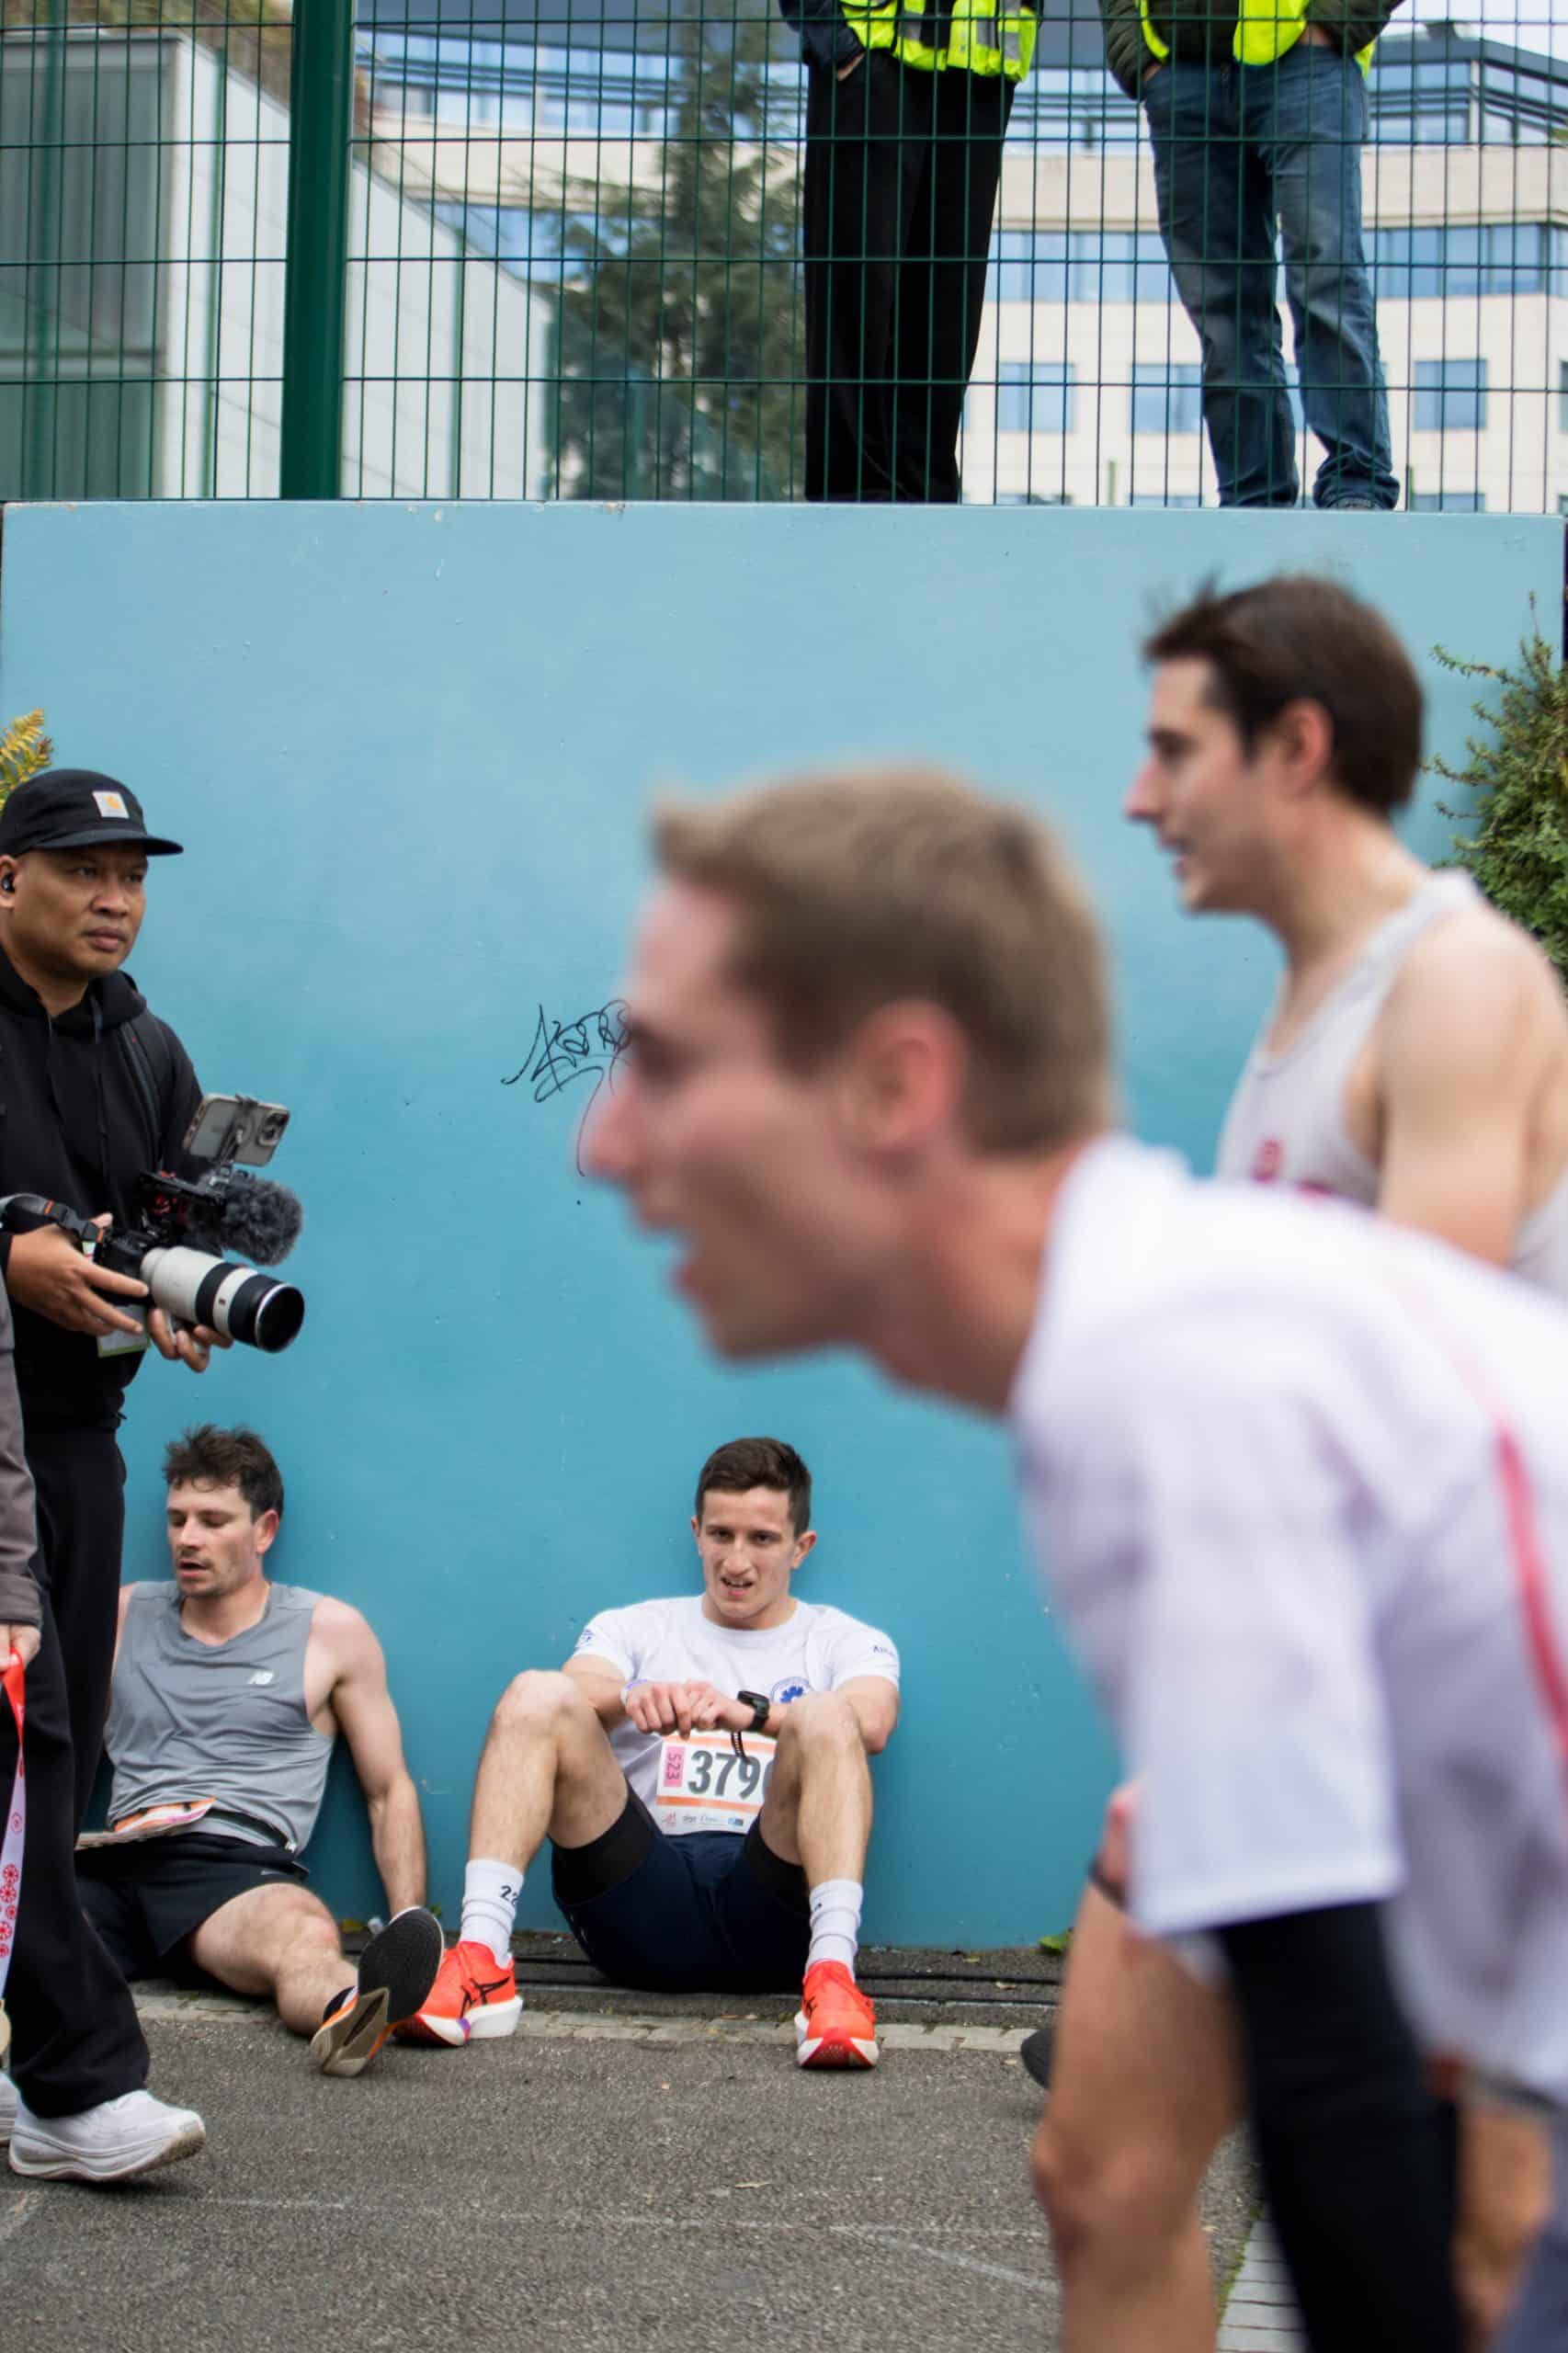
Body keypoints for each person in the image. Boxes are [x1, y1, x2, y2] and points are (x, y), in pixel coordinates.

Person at [581, 762, 1568, 2348]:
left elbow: (1344, 2080)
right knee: (1122, 2177)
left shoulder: (1181, 1387)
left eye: (671, 1066)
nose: (604, 1142)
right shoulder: (1108, 1360)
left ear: (894, 1089)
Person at [1019, 574, 1568, 2352]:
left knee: (1452, 2253)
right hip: (1289, 1707)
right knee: (1099, 2177)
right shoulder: (1307, 1001)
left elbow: (1416, 1428)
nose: (1138, 796)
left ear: (1297, 749)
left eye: (1174, 751)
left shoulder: (1456, 986)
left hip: (1441, 1733)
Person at [400, 1437, 901, 2069]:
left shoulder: (842, 1639)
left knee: (826, 1714)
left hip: (773, 1903)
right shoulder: (637, 1627)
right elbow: (570, 1691)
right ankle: (481, 1958)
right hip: (639, 1899)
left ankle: (832, 1976)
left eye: (762, 1539)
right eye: (720, 1535)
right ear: (696, 1533)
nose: (736, 1561)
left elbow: (871, 1722)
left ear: (801, 1547)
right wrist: (631, 1697)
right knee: (535, 1692)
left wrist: (753, 1715)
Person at [69, 1424, 442, 2078]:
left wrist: (407, 1921)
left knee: (303, 1934)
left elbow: (388, 1791)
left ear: (264, 1530)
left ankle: (356, 2008)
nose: (188, 1538)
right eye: (178, 1520)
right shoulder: (122, 1615)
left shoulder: (330, 1633)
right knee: (23, 1924)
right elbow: (64, 1756)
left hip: (232, 1874)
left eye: (213, 1521)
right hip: (117, 1861)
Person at [0, 767, 229, 1825]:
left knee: (62, 1740)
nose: (114, 900)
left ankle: (41, 1930)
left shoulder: (147, 1048)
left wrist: (179, 1293)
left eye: (132, 878)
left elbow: (178, 1215)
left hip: (84, 1438)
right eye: (85, 872)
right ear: (8, 878)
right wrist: (9, 1261)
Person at [0, 1294, 206, 2180]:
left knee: (59, 1770)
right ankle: (78, 2078)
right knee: (30, 1749)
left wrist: (160, 1273)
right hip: (13, 1460)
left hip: (78, 1435)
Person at [1097, 0, 1403, 509]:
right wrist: (1141, 57)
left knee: (1325, 274)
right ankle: (1252, 498)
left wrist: (1338, 17)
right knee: (1223, 306)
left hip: (1306, 57)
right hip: (1183, 70)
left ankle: (1357, 484)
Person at [780, 0, 1036, 502]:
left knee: (947, 309)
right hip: (870, 52)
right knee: (856, 295)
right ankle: (850, 501)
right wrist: (831, 32)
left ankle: (925, 503)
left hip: (980, 67)